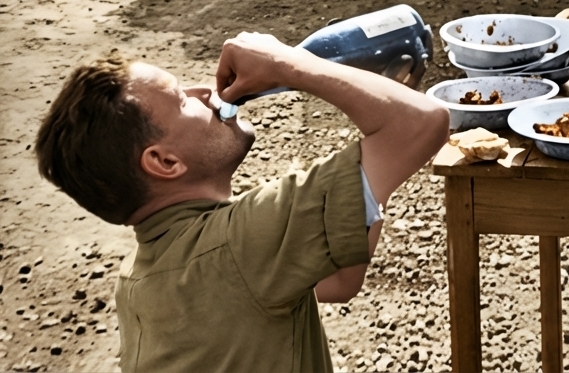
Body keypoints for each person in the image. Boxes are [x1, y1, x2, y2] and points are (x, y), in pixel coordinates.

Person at [35, 33, 449, 372]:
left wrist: (381, 105)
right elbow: (424, 123)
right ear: (165, 162)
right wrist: (287, 63)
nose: (203, 91)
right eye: (182, 98)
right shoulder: (239, 247)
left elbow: (338, 280)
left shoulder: (140, 278)